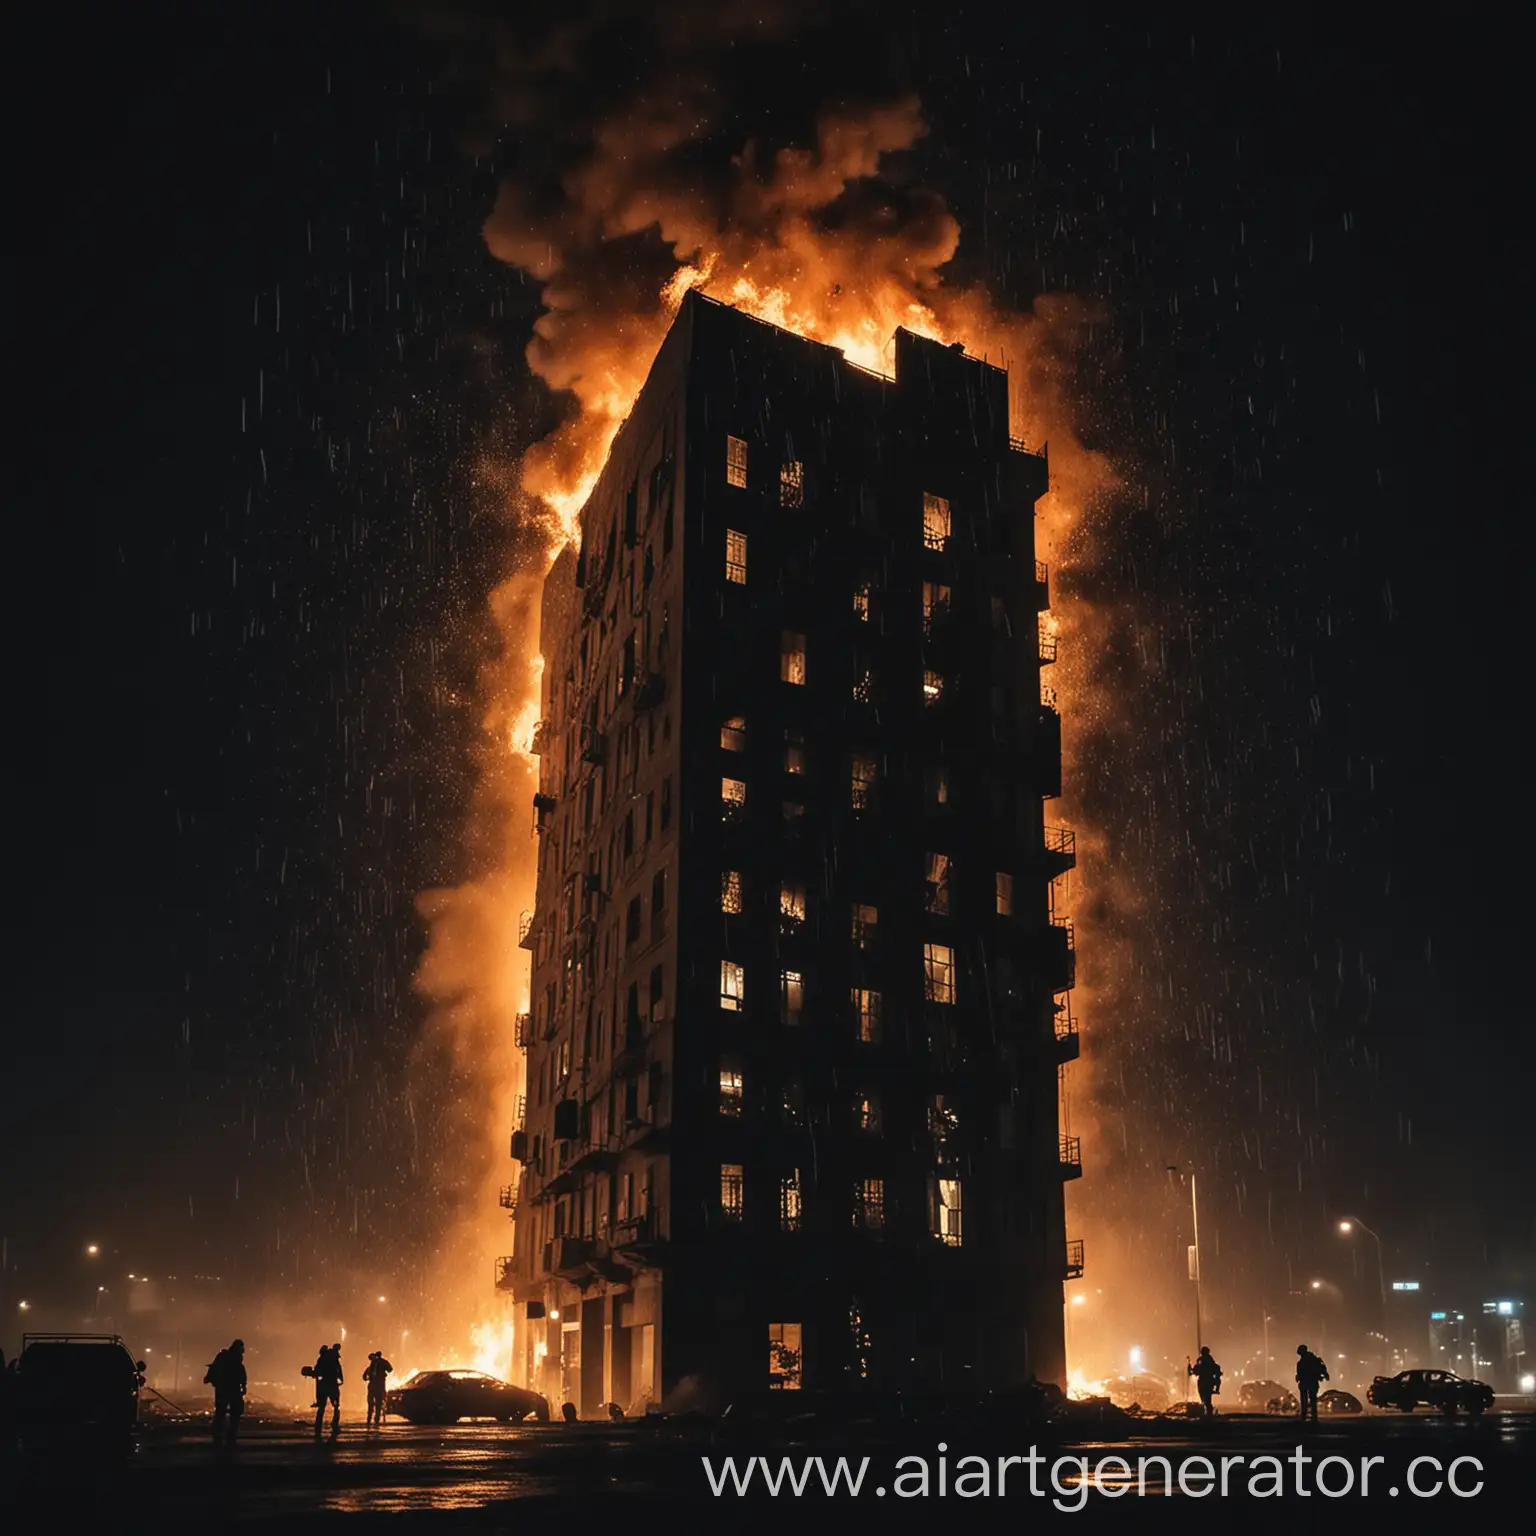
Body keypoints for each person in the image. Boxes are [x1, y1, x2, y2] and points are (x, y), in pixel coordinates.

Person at [206, 1339, 248, 1446]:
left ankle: (220, 1434)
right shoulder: (232, 1358)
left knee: (223, 1411)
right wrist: (243, 1385)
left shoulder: (224, 1357)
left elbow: (214, 1369)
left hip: (224, 1389)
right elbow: (240, 1372)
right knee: (230, 1412)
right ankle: (226, 1434)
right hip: (229, 1389)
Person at [312, 1343, 343, 1438]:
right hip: (332, 1385)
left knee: (321, 1407)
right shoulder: (334, 1358)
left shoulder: (322, 1359)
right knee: (336, 1405)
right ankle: (334, 1425)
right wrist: (341, 1379)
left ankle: (318, 1426)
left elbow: (317, 1371)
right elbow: (339, 1369)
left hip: (324, 1385)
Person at [1295, 1344, 1329, 1422]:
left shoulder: (1310, 1360)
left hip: (1309, 1382)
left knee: (1308, 1399)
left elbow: (1319, 1368)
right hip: (1309, 1382)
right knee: (1310, 1399)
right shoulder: (1310, 1360)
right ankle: (1310, 1416)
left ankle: (1308, 1416)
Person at [1187, 1346, 1222, 1417]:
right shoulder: (1203, 1361)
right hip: (1205, 1382)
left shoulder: (1207, 1361)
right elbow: (1194, 1371)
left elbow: (1216, 1372)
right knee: (1205, 1399)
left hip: (1206, 1382)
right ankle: (1208, 1413)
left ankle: (1209, 1413)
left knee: (1206, 1399)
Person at [363, 1351, 393, 1427]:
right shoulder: (376, 1364)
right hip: (377, 1386)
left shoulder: (375, 1364)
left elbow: (364, 1376)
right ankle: (374, 1420)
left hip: (375, 1386)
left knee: (374, 1403)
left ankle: (371, 1419)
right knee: (376, 1403)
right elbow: (390, 1369)